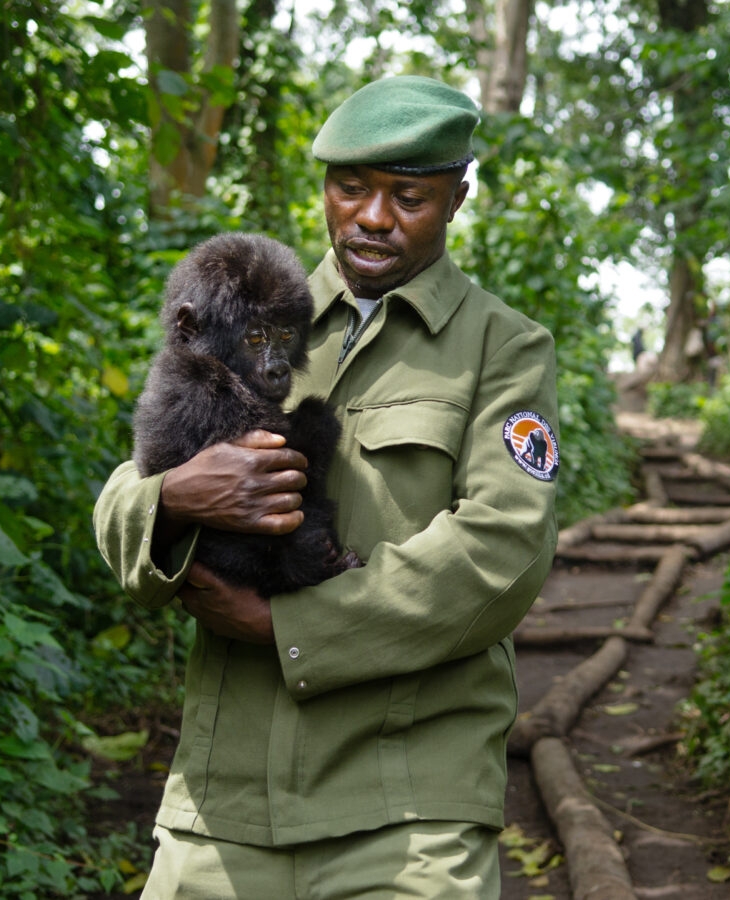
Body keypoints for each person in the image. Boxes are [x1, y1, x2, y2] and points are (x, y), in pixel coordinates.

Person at [93, 75, 559, 899]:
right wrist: (176, 499)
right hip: (224, 799)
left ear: (457, 197)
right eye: (351, 188)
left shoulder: (503, 348)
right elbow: (127, 489)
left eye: (408, 197)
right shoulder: (251, 303)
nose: (373, 217)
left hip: (410, 806)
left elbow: (504, 550)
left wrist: (290, 626)